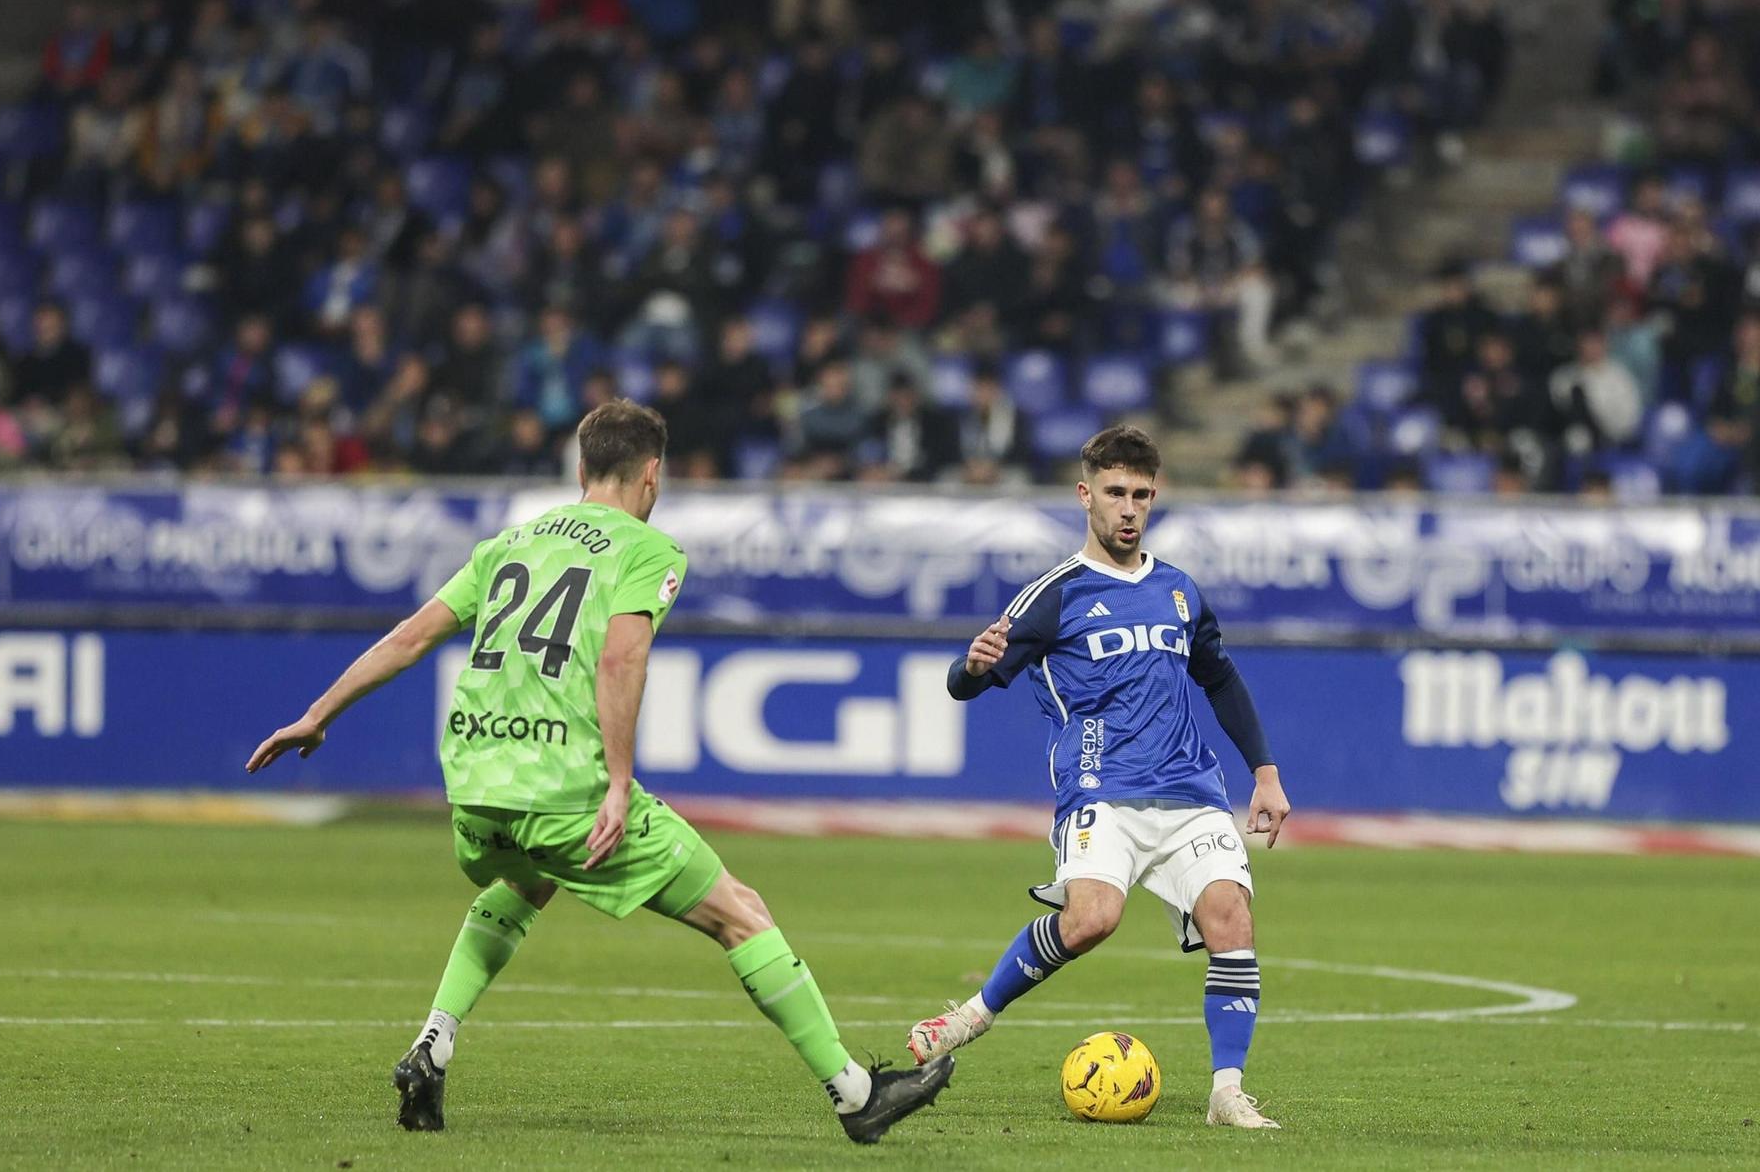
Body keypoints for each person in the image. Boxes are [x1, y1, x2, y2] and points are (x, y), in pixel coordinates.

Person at [246, 399, 955, 1141]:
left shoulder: (510, 542)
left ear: (581, 469)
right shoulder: (647, 549)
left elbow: (409, 635)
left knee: (525, 878)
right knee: (740, 911)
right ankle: (855, 1095)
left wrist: (317, 712)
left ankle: (433, 1043)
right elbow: (621, 657)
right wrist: (618, 783)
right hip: (564, 791)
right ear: (653, 474)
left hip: (477, 787)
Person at [905, 424, 1290, 1131]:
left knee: (1231, 916)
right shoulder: (1055, 596)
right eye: (1115, 492)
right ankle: (970, 1016)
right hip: (1100, 788)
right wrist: (973, 664)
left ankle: (1227, 1090)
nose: (1129, 507)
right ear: (1086, 494)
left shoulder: (1179, 591)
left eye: (1142, 493)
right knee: (1090, 920)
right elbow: (968, 681)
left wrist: (1264, 772)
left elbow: (1221, 678)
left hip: (1190, 790)